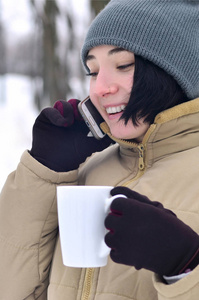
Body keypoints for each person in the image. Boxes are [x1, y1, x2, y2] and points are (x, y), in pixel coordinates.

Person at [0, 0, 199, 299]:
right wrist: (44, 173)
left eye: (123, 65)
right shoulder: (86, 170)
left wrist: (186, 266)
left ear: (180, 71)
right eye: (93, 71)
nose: (100, 88)